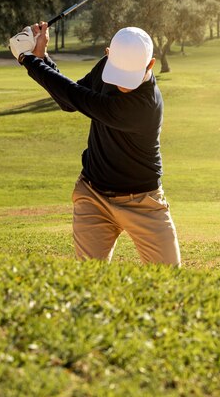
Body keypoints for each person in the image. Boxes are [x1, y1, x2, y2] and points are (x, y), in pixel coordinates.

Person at [10, 22, 181, 267]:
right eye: (119, 73)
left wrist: (28, 59)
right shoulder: (106, 68)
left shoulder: (143, 107)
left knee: (170, 280)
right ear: (108, 54)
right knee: (88, 281)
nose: (123, 84)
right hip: (93, 195)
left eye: (130, 76)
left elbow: (78, 98)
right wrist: (42, 57)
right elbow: (71, 100)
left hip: (143, 202)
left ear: (151, 64)